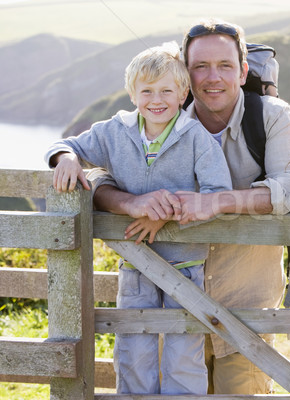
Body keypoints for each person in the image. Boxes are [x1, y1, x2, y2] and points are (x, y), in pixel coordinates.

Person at [90, 19, 290, 394]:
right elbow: (97, 175)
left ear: (242, 72)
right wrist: (133, 203)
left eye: (225, 66)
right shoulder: (160, 117)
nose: (213, 77)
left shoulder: (272, 116)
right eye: (200, 67)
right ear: (185, 75)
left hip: (245, 304)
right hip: (167, 298)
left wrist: (217, 202)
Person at [44, 41, 232, 395]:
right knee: (133, 347)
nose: (156, 99)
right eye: (146, 91)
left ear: (183, 94)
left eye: (166, 90)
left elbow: (217, 193)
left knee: (183, 350)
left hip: (186, 265)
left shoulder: (196, 138)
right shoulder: (115, 132)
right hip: (135, 262)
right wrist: (67, 158)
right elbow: (63, 145)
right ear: (132, 93)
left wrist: (164, 214)